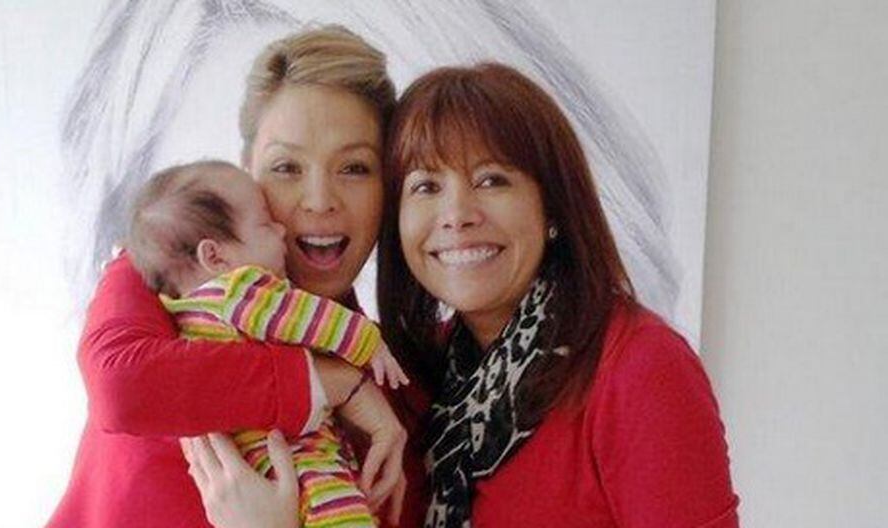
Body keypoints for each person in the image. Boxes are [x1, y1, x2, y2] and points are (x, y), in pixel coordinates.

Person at [184, 63, 739, 527]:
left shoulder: (639, 367)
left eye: (492, 180)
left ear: (552, 205)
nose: (456, 215)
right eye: (426, 186)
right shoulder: (424, 373)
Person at [48, 25, 408, 528]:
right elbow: (121, 385)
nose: (320, 200)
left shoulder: (388, 377)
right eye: (286, 167)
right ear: (246, 171)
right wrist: (329, 384)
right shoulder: (166, 270)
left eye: (354, 168)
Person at [124, 159, 409, 527]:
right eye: (265, 223)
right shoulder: (238, 290)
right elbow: (305, 317)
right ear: (214, 256)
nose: (280, 229)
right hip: (300, 463)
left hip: (258, 472)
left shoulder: (181, 315)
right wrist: (368, 341)